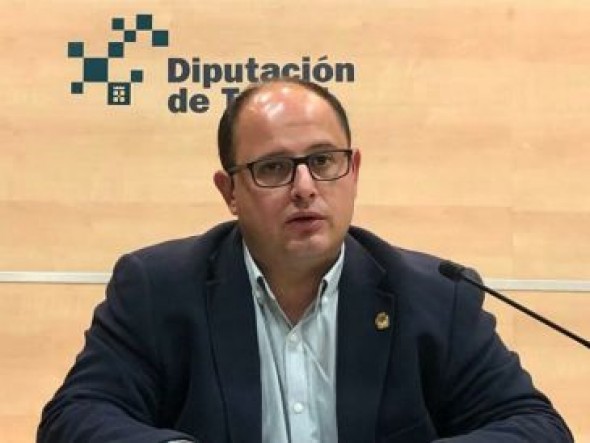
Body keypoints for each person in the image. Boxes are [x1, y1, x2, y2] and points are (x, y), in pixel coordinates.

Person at [38, 78, 573, 443]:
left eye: (323, 161)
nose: (304, 187)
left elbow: (534, 426)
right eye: (273, 168)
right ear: (229, 191)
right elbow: (75, 417)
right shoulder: (159, 288)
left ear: (353, 170)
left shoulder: (436, 295)